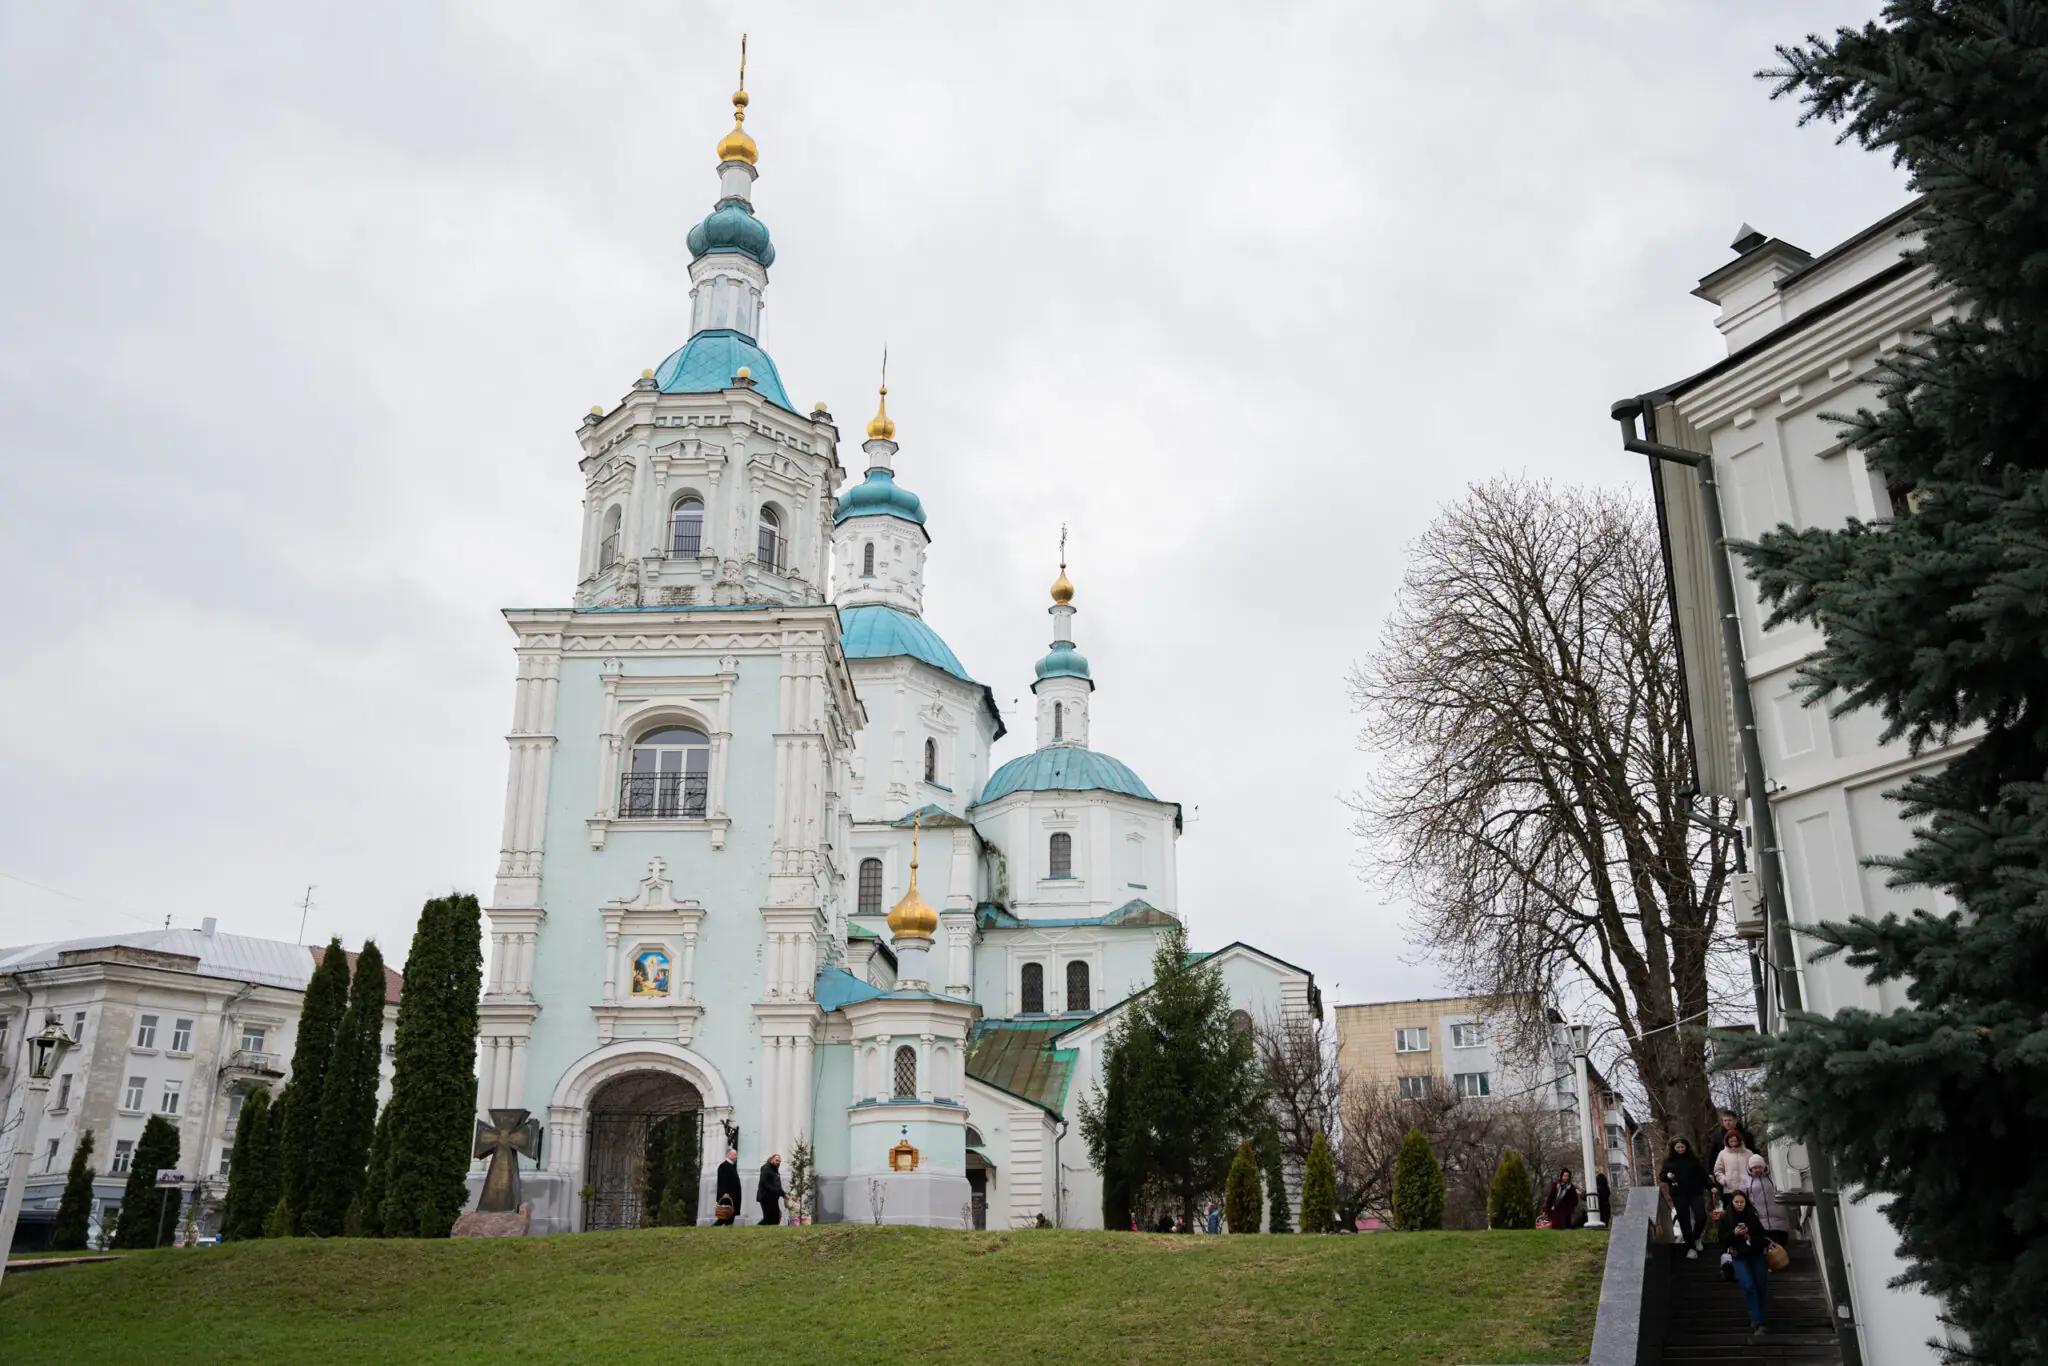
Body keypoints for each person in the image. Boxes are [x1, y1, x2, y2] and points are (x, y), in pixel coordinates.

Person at [1723, 1189, 1771, 1336]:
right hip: (1739, 1256)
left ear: (1746, 1202)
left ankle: (1760, 1319)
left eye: (1741, 1202)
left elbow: (1762, 1235)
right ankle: (1757, 1321)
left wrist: (1750, 1231)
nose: (1739, 1205)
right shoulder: (1727, 1218)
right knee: (1749, 1285)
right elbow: (1722, 1239)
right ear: (1732, 1202)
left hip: (1756, 1254)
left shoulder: (1752, 1216)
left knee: (1760, 1285)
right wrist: (1734, 1234)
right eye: (1736, 1202)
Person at [1658, 1138, 1710, 1256]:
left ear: (1686, 1147)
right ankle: (1690, 1247)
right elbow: (1662, 1176)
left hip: (1695, 1192)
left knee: (1701, 1216)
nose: (1680, 1150)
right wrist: (1667, 1175)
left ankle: (1696, 1237)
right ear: (1673, 1148)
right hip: (1678, 1193)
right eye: (1678, 1148)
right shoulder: (1668, 1161)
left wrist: (1710, 1186)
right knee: (1684, 1220)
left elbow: (1702, 1175)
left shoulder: (1693, 1160)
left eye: (1682, 1147)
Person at [715, 1147, 742, 1226]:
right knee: (723, 1217)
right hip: (727, 1197)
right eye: (734, 1155)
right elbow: (722, 1182)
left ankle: (728, 1232)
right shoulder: (724, 1166)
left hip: (732, 1197)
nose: (736, 1156)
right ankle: (712, 1229)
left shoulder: (731, 1166)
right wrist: (724, 1193)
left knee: (729, 1218)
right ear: (728, 1155)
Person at [757, 1154, 785, 1225]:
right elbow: (764, 1183)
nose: (778, 1162)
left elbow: (778, 1186)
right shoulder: (766, 1169)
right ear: (771, 1159)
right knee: (768, 1218)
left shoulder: (775, 1170)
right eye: (776, 1160)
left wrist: (784, 1195)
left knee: (775, 1217)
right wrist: (775, 1191)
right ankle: (758, 1227)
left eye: (779, 1161)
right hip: (766, 1197)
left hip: (773, 1198)